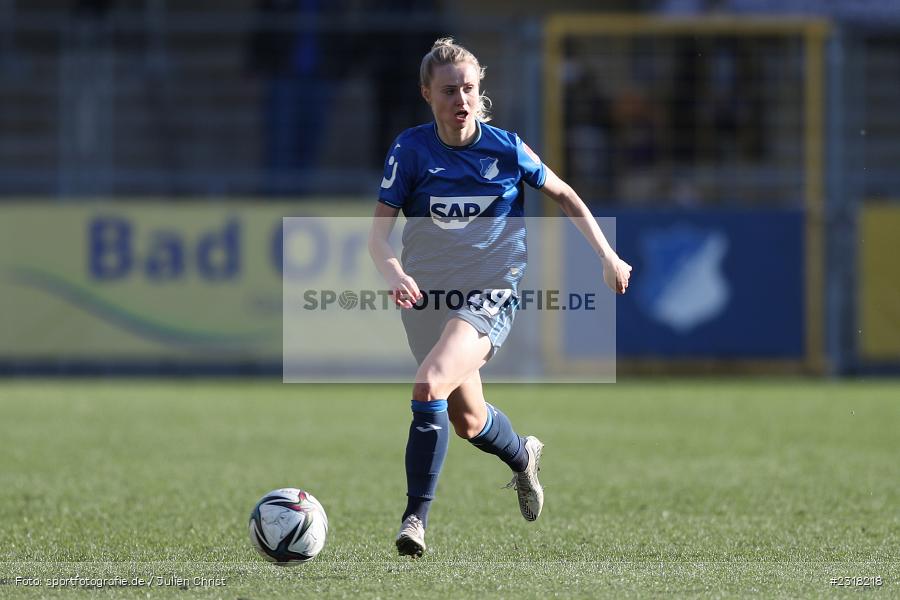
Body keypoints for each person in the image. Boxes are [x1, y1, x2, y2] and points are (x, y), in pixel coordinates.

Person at [368, 38, 632, 558]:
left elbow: (565, 194)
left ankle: (414, 521)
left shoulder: (505, 147)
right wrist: (395, 271)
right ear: (427, 94)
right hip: (425, 297)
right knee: (468, 421)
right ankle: (522, 456)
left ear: (479, 90)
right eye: (448, 91)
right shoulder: (411, 149)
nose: (460, 99)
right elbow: (377, 237)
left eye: (468, 88)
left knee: (427, 386)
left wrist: (607, 255)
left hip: (491, 291)